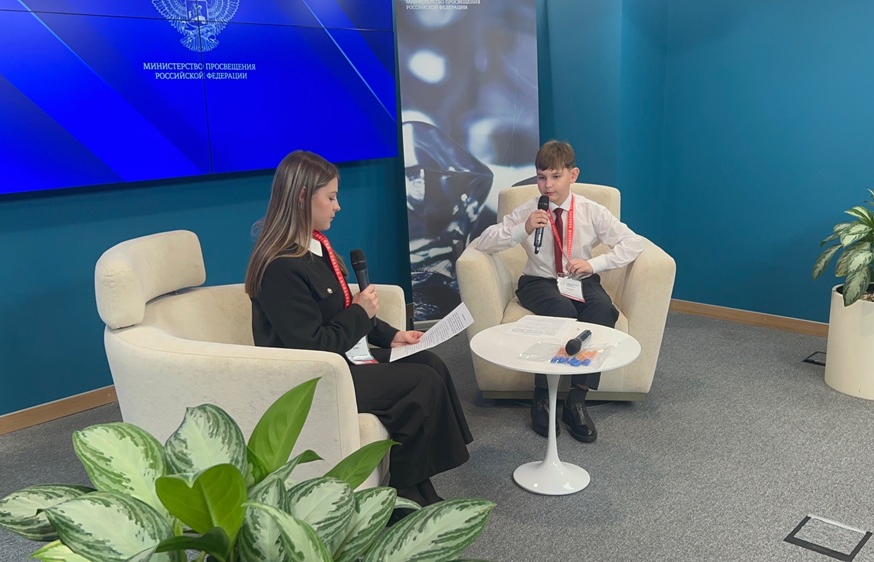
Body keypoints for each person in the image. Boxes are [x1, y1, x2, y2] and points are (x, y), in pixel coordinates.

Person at [244, 150, 473, 509]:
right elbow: (313, 346)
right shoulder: (280, 267)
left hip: (339, 359)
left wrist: (392, 335)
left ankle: (416, 480)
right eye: (331, 197)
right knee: (420, 383)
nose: (338, 207)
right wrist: (361, 312)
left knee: (431, 363)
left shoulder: (315, 248)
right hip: (312, 378)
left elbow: (340, 313)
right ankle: (403, 493)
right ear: (303, 197)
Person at [473, 140, 644, 443]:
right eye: (541, 177)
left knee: (602, 310)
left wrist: (594, 264)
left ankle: (576, 400)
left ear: (572, 175)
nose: (547, 185)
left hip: (580, 279)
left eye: (555, 176)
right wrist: (522, 229)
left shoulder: (591, 211)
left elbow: (633, 243)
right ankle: (541, 396)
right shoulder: (529, 210)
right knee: (562, 311)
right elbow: (484, 242)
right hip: (538, 282)